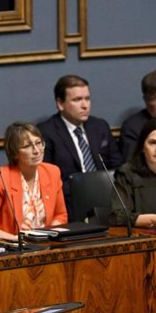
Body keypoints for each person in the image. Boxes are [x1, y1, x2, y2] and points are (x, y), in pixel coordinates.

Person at [38, 75, 123, 218]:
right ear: (60, 103)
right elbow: (47, 180)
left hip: (107, 201)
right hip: (69, 205)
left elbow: (118, 167)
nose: (85, 105)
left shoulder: (100, 126)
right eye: (77, 100)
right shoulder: (46, 132)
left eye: (87, 99)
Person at [0, 122, 68, 241]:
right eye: (27, 146)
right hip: (14, 248)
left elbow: (60, 215)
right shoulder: (0, 178)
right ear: (14, 153)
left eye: (39, 143)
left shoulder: (52, 172)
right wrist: (13, 239)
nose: (37, 151)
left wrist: (49, 234)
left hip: (47, 244)